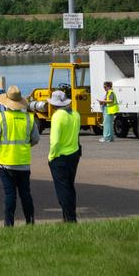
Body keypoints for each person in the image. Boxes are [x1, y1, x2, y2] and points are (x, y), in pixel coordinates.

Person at [0, 86, 39, 227]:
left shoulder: (0, 117)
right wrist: (24, 147)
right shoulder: (29, 118)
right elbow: (35, 139)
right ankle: (30, 221)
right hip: (23, 162)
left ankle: (9, 224)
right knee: (25, 194)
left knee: (10, 194)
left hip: (5, 162)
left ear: (6, 103)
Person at [47, 89, 81, 222]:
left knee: (62, 188)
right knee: (70, 186)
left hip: (60, 156)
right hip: (74, 153)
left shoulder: (57, 116)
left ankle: (70, 218)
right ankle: (69, 216)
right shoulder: (76, 114)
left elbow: (54, 141)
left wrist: (51, 156)